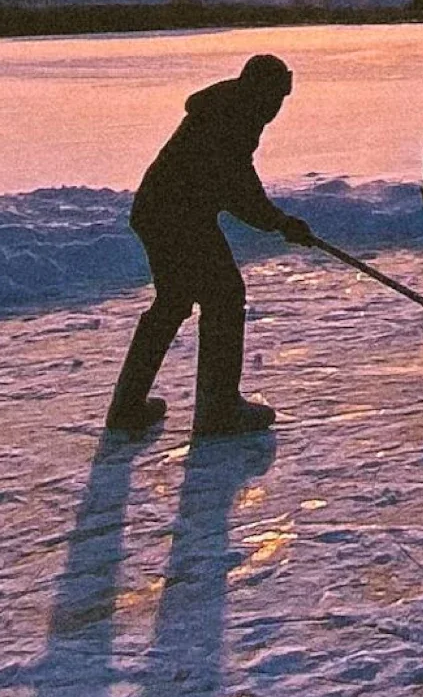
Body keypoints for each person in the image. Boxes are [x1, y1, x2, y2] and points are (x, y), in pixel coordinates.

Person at [107, 53, 313, 438]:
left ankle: (127, 405)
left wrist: (277, 220)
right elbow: (236, 187)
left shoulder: (233, 107)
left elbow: (236, 181)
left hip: (164, 212)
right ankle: (218, 409)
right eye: (273, 98)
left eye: (280, 100)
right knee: (224, 295)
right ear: (257, 90)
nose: (275, 108)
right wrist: (279, 222)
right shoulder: (233, 116)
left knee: (173, 302)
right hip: (176, 215)